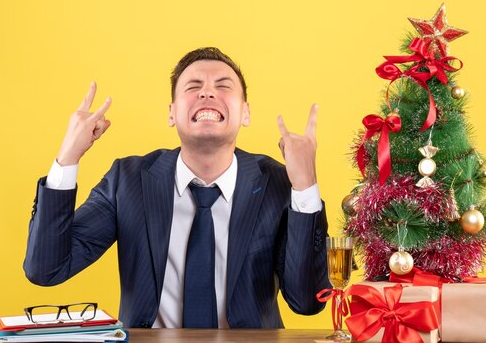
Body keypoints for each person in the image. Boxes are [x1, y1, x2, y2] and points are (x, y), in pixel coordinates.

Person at [24, 47, 330, 328]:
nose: (207, 93)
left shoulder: (275, 183)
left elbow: (307, 302)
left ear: (245, 112)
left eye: (223, 86)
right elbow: (47, 269)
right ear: (172, 113)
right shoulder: (128, 180)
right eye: (193, 86)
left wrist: (304, 187)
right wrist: (67, 158)